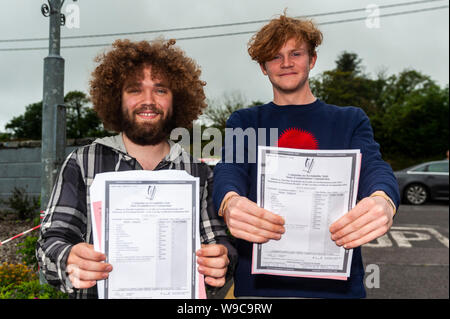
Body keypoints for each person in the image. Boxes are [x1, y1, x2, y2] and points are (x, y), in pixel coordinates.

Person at [212, 14, 400, 298]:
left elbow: (374, 166)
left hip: (338, 288)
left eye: (295, 54)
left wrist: (383, 199)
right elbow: (230, 168)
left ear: (311, 60)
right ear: (263, 67)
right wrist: (230, 200)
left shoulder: (350, 120)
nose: (286, 63)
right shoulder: (245, 121)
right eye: (274, 57)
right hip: (260, 288)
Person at [36, 39, 236, 299]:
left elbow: (219, 242)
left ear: (177, 100)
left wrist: (221, 260)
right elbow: (51, 242)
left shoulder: (198, 172)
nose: (148, 101)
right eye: (134, 90)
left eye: (161, 90)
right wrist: (69, 259)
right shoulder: (83, 162)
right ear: (116, 99)